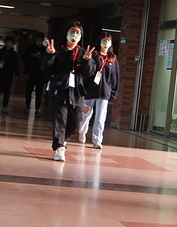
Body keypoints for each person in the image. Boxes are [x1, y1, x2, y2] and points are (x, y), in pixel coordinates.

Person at [42, 22, 94, 162]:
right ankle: (59, 148)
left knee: (75, 123)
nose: (74, 35)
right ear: (66, 33)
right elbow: (46, 68)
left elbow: (88, 73)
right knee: (59, 120)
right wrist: (50, 55)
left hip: (76, 92)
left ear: (80, 36)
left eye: (77, 33)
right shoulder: (57, 50)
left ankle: (62, 140)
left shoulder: (84, 52)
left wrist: (87, 61)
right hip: (59, 90)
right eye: (72, 32)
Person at [77, 34, 120, 149]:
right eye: (103, 41)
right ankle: (82, 131)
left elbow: (115, 77)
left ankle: (97, 140)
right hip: (90, 90)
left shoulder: (112, 58)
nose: (105, 44)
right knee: (85, 114)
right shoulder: (94, 55)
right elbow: (87, 71)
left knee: (100, 118)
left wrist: (113, 93)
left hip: (104, 92)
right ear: (100, 42)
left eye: (108, 41)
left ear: (111, 44)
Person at [0, 36, 19, 113]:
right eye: (7, 41)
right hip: (0, 73)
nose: (9, 43)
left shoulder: (14, 54)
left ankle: (4, 106)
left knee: (7, 90)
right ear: (5, 42)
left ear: (13, 43)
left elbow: (16, 64)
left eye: (10, 42)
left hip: (9, 73)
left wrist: (16, 73)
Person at [21, 31, 47, 117]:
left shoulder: (45, 50)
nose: (39, 41)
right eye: (37, 39)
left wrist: (40, 57)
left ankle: (37, 108)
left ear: (43, 40)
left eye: (40, 39)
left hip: (41, 73)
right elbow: (23, 57)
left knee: (39, 92)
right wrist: (31, 56)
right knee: (28, 90)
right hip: (31, 72)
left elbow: (48, 62)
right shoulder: (30, 48)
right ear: (35, 39)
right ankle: (27, 106)